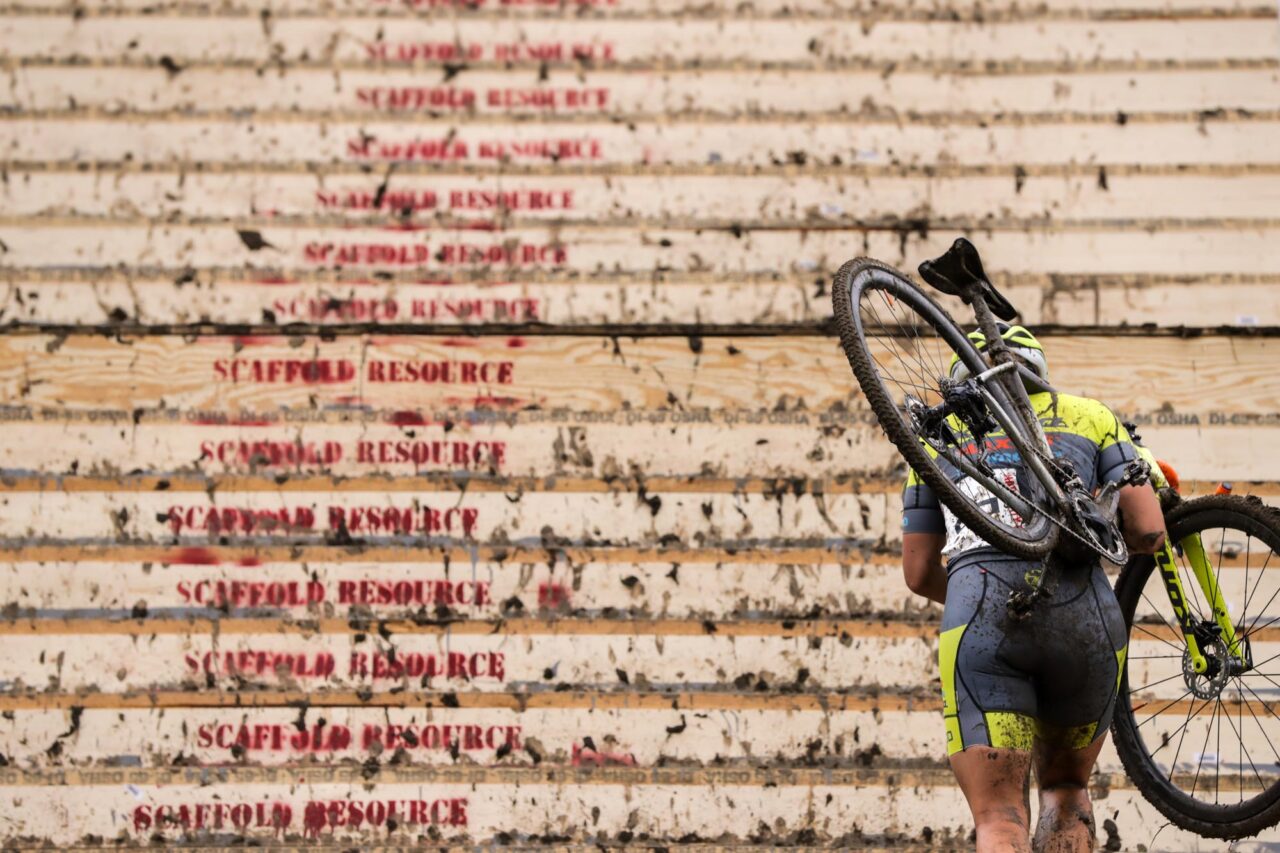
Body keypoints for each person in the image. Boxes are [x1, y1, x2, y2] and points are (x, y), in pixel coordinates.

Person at [900, 323, 1168, 852]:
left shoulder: (935, 433)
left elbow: (918, 570)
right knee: (1068, 790)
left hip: (982, 611)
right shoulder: (1091, 415)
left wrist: (971, 593)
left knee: (1000, 816)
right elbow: (1148, 532)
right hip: (1086, 615)